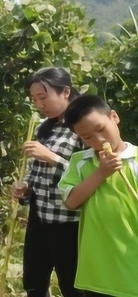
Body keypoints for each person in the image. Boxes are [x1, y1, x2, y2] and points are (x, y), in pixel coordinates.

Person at [10, 67, 85, 297]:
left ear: (65, 92)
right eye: (34, 99)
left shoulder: (82, 126)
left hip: (69, 221)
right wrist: (25, 189)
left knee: (72, 285)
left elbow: (88, 174)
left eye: (43, 97)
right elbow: (36, 174)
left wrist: (51, 157)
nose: (39, 104)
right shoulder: (44, 127)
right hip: (40, 217)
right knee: (33, 281)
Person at [58, 95, 138, 297]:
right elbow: (71, 201)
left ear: (114, 117)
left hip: (132, 266)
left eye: (101, 129)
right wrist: (101, 172)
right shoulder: (80, 162)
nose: (99, 140)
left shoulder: (135, 160)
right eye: (87, 137)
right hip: (97, 272)